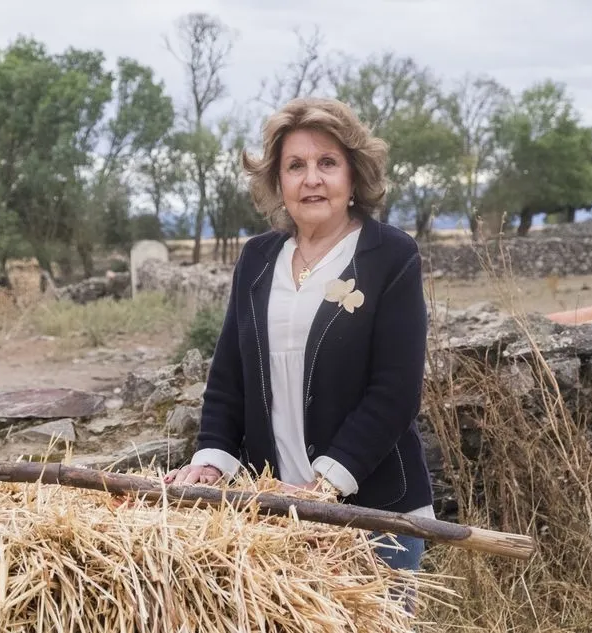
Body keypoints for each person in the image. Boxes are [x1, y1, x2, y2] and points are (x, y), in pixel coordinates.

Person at [165, 97, 436, 579]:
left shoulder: (390, 256)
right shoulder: (257, 259)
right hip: (272, 513)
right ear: (278, 182)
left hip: (372, 517)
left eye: (327, 163)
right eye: (296, 166)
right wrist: (211, 458)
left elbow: (395, 392)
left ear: (354, 175)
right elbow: (229, 376)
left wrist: (322, 486)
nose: (312, 178)